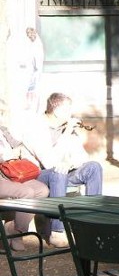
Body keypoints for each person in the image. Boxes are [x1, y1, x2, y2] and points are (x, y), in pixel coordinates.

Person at [24, 93, 103, 247]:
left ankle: (93, 223)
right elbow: (49, 162)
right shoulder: (35, 127)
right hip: (39, 175)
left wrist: (70, 162)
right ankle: (57, 231)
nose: (70, 114)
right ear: (58, 111)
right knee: (58, 172)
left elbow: (82, 157)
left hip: (63, 172)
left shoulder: (66, 127)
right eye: (68, 110)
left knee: (94, 167)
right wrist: (66, 134)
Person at [0, 125, 49, 251]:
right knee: (26, 192)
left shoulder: (2, 128)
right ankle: (18, 234)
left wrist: (19, 150)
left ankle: (13, 228)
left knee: (42, 191)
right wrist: (5, 158)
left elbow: (18, 144)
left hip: (12, 172)